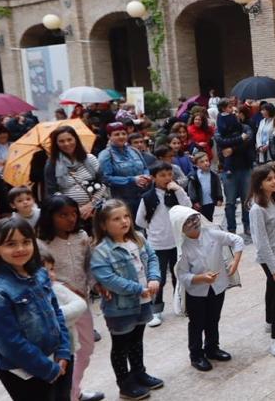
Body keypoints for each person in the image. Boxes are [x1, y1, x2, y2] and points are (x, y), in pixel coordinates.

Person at [0, 217, 72, 400]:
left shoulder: (40, 274)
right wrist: (48, 369)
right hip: (24, 371)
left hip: (57, 359)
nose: (20, 249)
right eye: (11, 244)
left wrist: (63, 350)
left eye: (26, 242)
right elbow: (9, 343)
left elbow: (56, 313)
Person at [90, 200, 164, 399]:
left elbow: (152, 257)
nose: (124, 221)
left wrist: (154, 277)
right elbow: (109, 279)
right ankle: (125, 384)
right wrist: (139, 289)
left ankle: (139, 373)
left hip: (143, 302)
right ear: (104, 225)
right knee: (121, 345)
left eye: (126, 217)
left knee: (136, 340)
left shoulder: (138, 238)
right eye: (116, 219)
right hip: (120, 307)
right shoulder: (100, 250)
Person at [36, 196, 103, 401]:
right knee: (67, 351)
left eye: (73, 213)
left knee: (87, 347)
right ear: (50, 216)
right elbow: (41, 275)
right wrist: (63, 287)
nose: (70, 219)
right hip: (59, 307)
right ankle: (68, 394)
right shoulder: (41, 243)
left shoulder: (81, 236)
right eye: (63, 215)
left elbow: (89, 266)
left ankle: (74, 390)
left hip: (81, 304)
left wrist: (95, 284)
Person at [171, 206, 243, 371]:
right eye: (187, 222)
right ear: (180, 227)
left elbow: (237, 241)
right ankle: (196, 355)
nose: (193, 223)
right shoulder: (183, 248)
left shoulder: (212, 234)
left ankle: (212, 347)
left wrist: (235, 261)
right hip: (197, 292)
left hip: (217, 287)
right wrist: (201, 278)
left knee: (213, 318)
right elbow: (182, 275)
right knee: (197, 323)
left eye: (194, 218)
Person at [135, 162, 191, 328]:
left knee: (179, 275)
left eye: (169, 174)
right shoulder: (148, 197)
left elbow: (187, 207)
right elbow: (140, 221)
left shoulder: (175, 193)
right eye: (162, 175)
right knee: (158, 278)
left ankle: (180, 304)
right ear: (153, 178)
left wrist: (179, 190)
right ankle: (155, 310)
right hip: (157, 245)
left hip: (177, 242)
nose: (167, 178)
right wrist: (155, 230)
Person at [38, 250, 95, 401]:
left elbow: (79, 304)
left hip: (65, 346)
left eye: (51, 269)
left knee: (65, 384)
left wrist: (52, 317)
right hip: (45, 351)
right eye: (45, 271)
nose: (50, 275)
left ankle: (75, 392)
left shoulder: (57, 288)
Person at [249, 165, 275, 357]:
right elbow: (261, 242)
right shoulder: (257, 209)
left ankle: (270, 323)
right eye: (269, 179)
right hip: (271, 258)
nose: (274, 181)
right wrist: (274, 267)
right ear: (259, 183)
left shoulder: (272, 200)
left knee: (272, 289)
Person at [44, 125, 107, 224]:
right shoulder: (52, 164)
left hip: (96, 209)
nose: (66, 144)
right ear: (56, 144)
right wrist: (75, 209)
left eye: (69, 139)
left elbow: (102, 182)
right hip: (69, 215)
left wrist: (91, 205)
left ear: (76, 139)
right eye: (61, 141)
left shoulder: (90, 159)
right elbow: (52, 192)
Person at [213, 108, 254, 237]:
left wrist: (232, 149)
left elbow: (248, 141)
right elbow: (220, 142)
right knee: (230, 202)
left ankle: (247, 225)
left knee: (246, 200)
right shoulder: (220, 131)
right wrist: (239, 140)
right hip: (228, 170)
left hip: (245, 168)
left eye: (236, 112)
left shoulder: (245, 128)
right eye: (231, 113)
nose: (234, 114)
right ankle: (231, 229)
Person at [98, 122, 151, 215]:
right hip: (122, 201)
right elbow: (105, 178)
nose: (121, 136)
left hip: (142, 197)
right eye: (116, 134)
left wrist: (146, 176)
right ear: (109, 136)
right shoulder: (106, 155)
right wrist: (132, 180)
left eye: (123, 133)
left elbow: (145, 168)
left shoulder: (134, 150)